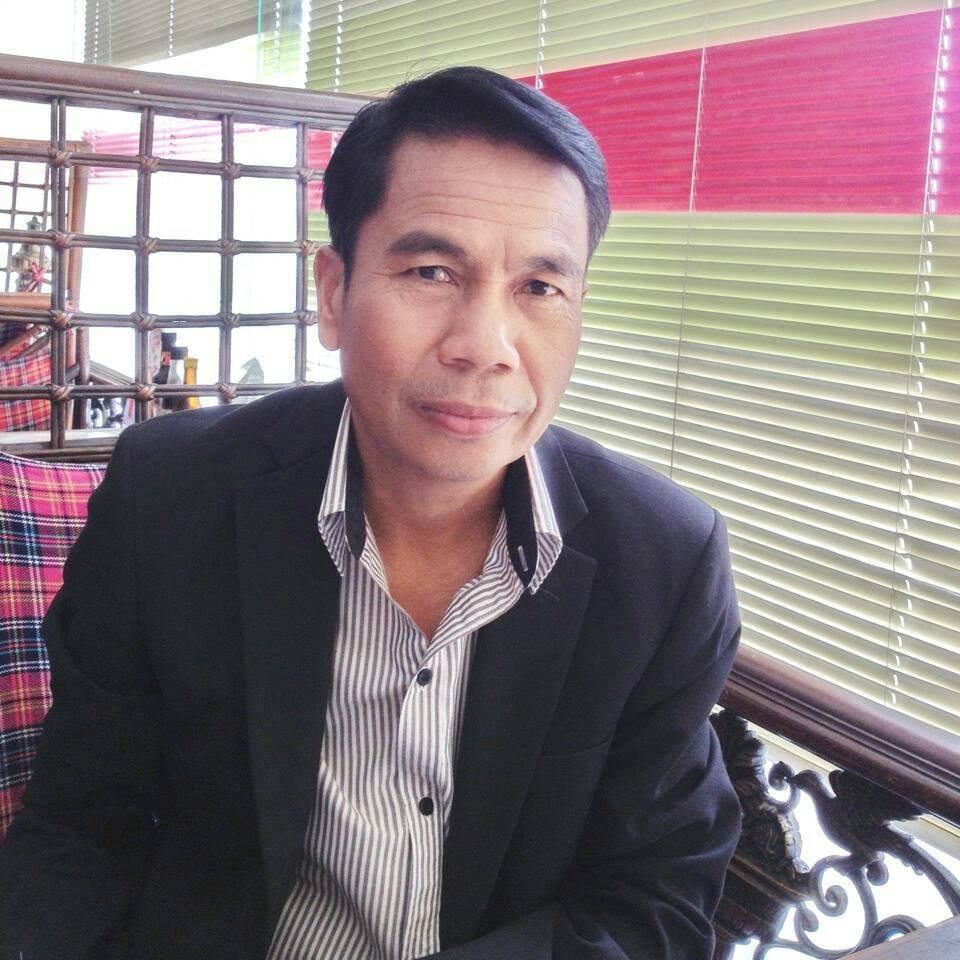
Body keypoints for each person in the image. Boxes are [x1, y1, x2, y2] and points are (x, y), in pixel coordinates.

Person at [0, 67, 741, 959]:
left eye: (540, 288)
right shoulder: (171, 498)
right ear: (333, 292)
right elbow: (81, 830)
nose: (485, 347)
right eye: (431, 271)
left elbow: (655, 902)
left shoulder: (662, 562)